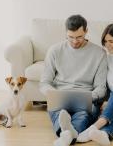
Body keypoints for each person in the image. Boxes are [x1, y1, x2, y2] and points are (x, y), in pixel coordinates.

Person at [39, 14, 108, 146]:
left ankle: (66, 135)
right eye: (70, 37)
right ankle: (71, 134)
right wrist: (54, 94)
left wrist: (89, 97)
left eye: (79, 37)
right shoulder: (54, 50)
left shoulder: (99, 53)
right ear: (65, 33)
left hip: (86, 97)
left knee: (84, 113)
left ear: (86, 31)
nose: (75, 41)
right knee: (58, 112)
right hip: (60, 95)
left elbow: (101, 87)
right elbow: (44, 82)